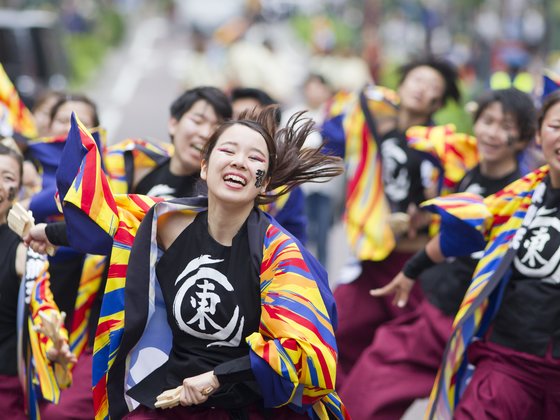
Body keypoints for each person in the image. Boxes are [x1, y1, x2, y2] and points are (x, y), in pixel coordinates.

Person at [48, 108, 348, 419]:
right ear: (204, 167)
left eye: (255, 158)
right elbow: (104, 220)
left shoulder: (280, 253)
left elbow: (305, 351)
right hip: (171, 395)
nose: (239, 162)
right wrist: (44, 232)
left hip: (246, 403)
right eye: (228, 150)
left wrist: (219, 376)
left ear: (265, 183)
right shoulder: (164, 221)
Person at [341, 88, 537, 419]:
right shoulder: (466, 173)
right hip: (438, 302)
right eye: (487, 121)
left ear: (522, 140)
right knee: (369, 375)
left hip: (470, 322)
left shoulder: (520, 195)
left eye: (505, 126)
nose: (492, 133)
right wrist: (413, 266)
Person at [322, 56, 473, 384]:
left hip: (415, 264)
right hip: (372, 258)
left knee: (410, 357)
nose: (423, 89)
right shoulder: (368, 116)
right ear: (401, 84)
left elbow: (455, 198)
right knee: (334, 332)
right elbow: (330, 133)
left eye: (434, 87)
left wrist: (429, 214)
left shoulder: (442, 148)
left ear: (439, 101)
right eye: (418, 79)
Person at [0, 139, 75, 419]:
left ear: (17, 191)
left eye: (7, 177)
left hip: (5, 390)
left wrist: (55, 346)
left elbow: (44, 306)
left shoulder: (24, 250)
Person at [105, 86, 233, 198]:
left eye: (217, 128)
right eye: (197, 121)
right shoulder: (132, 162)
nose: (205, 134)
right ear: (173, 123)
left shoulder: (216, 197)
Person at [230, 86, 308, 243]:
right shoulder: (206, 171)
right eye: (233, 119)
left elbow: (296, 241)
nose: (240, 128)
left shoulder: (286, 188)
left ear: (274, 129)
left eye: (251, 121)